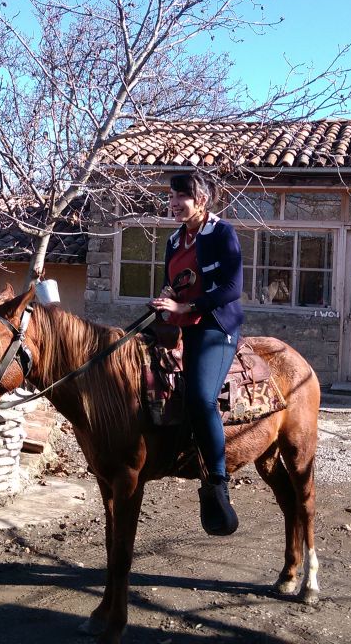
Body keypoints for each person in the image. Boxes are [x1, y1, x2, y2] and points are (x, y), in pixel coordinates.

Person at [150, 172, 244, 536]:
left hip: (215, 326)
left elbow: (233, 288)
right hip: (181, 323)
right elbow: (171, 284)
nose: (173, 203)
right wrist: (163, 300)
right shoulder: (174, 240)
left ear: (201, 200)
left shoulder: (222, 233)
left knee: (202, 397)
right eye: (171, 196)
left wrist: (188, 307)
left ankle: (217, 481)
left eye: (181, 196)